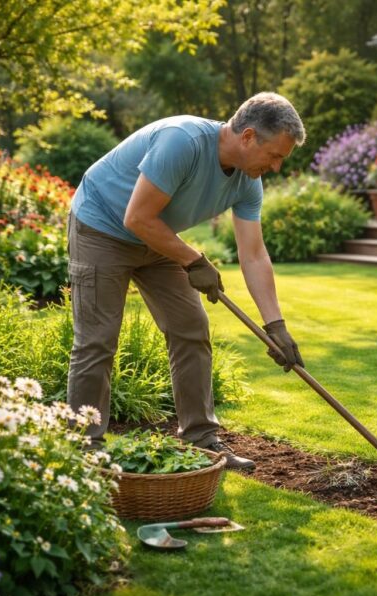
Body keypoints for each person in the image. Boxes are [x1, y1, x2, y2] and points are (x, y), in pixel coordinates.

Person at [67, 92, 306, 470]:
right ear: (247, 137)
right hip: (102, 227)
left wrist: (275, 325)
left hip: (157, 236)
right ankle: (84, 449)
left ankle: (202, 439)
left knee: (191, 328)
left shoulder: (247, 182)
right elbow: (137, 218)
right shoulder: (183, 141)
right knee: (97, 340)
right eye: (274, 155)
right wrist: (194, 260)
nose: (276, 166)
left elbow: (254, 254)